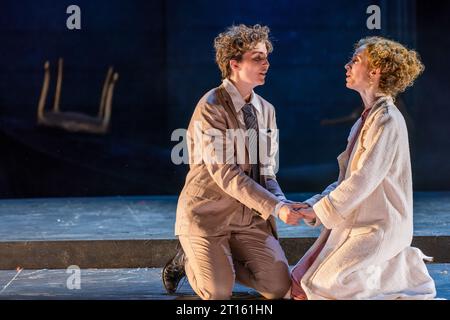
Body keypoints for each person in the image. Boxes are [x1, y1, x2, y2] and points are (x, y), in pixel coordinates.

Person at [162, 24, 307, 300]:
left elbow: (265, 170)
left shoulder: (265, 110)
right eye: (257, 58)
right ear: (234, 64)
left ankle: (221, 260)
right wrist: (275, 207)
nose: (266, 64)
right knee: (217, 293)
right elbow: (226, 174)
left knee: (277, 287)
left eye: (266, 57)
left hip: (248, 219)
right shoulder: (212, 107)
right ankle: (188, 259)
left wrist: (283, 203)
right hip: (209, 215)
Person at [291, 36, 437, 300]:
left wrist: (320, 210)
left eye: (355, 60)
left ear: (375, 70)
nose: (347, 65)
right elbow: (346, 178)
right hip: (357, 221)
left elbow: (362, 180)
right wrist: (314, 204)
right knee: (303, 282)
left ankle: (401, 266)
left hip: (379, 224)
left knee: (324, 285)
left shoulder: (388, 120)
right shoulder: (367, 118)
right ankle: (389, 266)